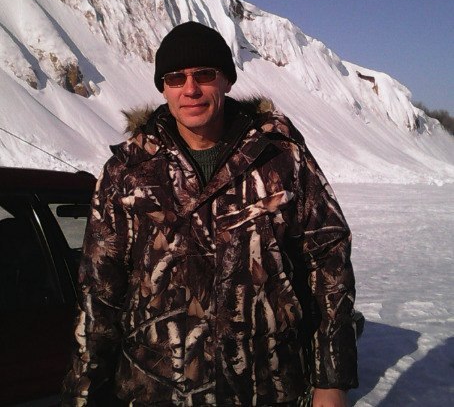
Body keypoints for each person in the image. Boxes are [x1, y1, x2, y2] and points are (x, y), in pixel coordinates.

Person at [62, 21, 358, 407]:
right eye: (175, 78)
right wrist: (82, 392)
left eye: (204, 74)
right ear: (163, 88)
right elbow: (99, 293)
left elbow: (329, 264)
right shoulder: (127, 171)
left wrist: (332, 382)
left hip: (268, 389)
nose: (190, 89)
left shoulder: (281, 158)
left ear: (227, 81)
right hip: (154, 392)